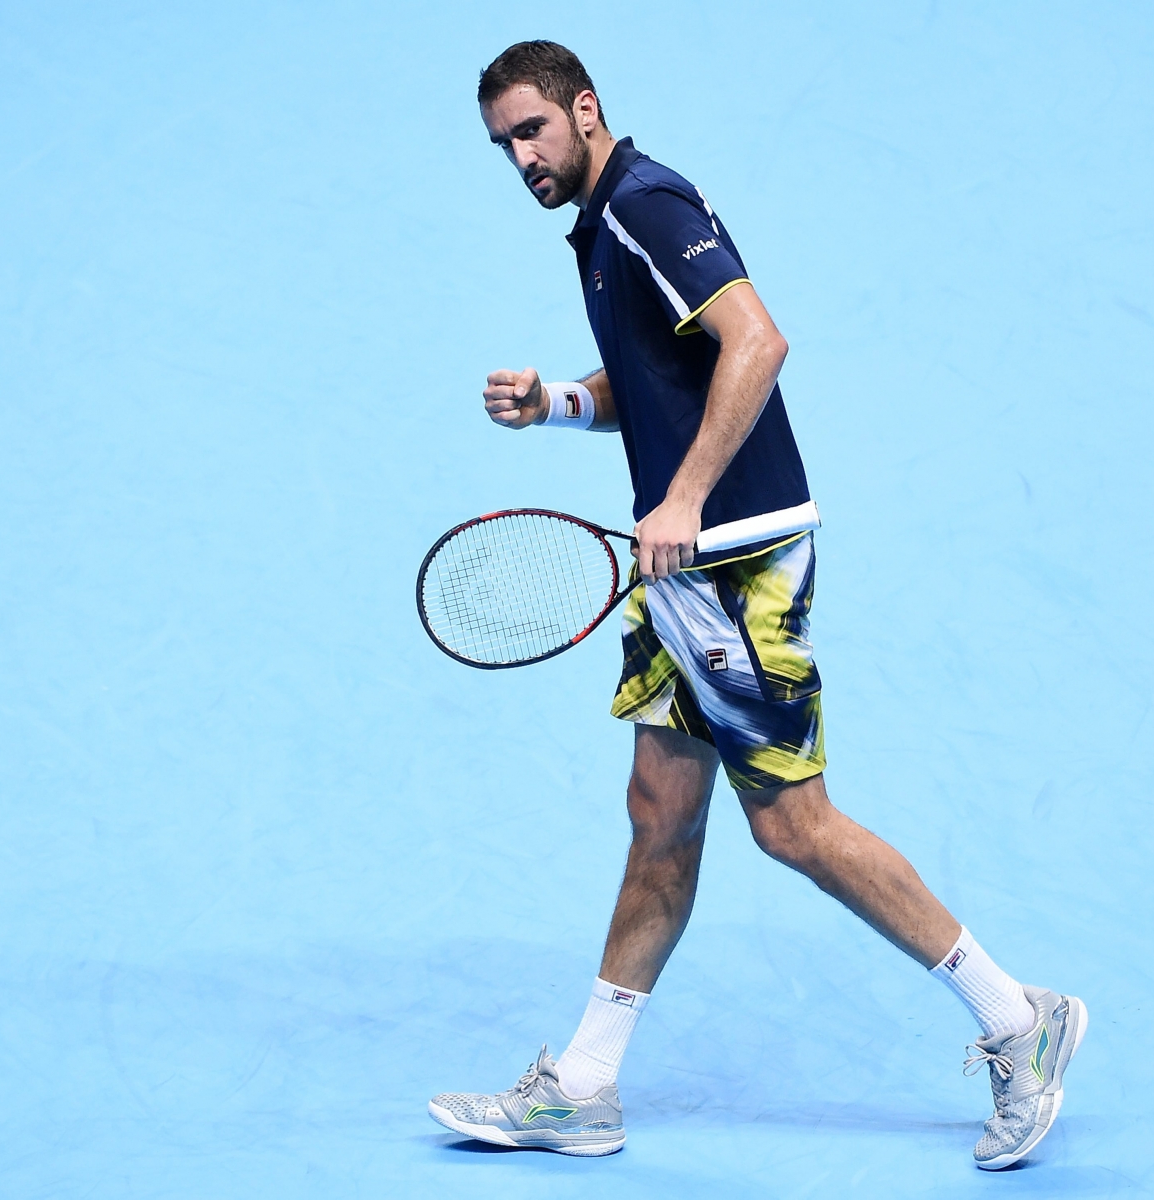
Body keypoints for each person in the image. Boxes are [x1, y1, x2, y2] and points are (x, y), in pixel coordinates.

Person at [427, 40, 1086, 1170]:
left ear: (586, 111)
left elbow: (757, 341)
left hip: (737, 563)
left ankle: (1020, 1023)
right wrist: (559, 405)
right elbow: (658, 388)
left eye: (533, 130)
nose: (522, 157)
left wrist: (682, 499)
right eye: (503, 145)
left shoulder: (644, 199)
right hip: (682, 572)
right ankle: (582, 1088)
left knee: (792, 826)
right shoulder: (598, 228)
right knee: (661, 817)